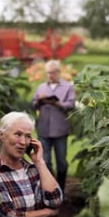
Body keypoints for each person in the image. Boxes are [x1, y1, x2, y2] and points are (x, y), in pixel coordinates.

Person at [31, 60, 76, 192]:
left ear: (58, 72)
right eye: (47, 73)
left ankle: (61, 188)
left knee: (61, 163)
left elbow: (71, 105)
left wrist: (58, 104)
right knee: (46, 162)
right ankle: (51, 189)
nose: (49, 76)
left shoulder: (68, 87)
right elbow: (34, 104)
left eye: (52, 73)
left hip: (60, 130)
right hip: (43, 129)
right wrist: (39, 101)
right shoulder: (41, 87)